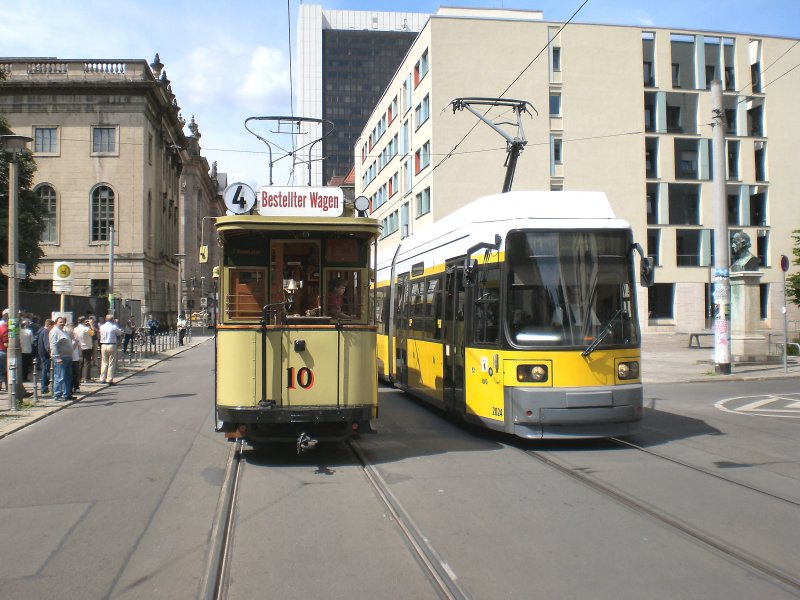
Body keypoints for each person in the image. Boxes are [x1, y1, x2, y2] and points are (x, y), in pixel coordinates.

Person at [49, 316, 74, 400]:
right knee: (60, 376)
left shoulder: (63, 331)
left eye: (63, 322)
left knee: (67, 376)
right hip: (61, 357)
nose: (62, 323)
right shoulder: (55, 331)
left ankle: (67, 394)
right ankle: (57, 394)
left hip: (68, 357)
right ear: (56, 323)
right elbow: (53, 344)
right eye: (60, 322)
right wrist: (57, 357)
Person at [99, 314, 123, 385]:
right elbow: (119, 333)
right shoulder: (114, 327)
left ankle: (102, 378)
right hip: (112, 344)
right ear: (112, 320)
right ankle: (109, 379)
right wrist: (116, 324)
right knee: (111, 363)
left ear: (106, 319)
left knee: (104, 362)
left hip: (103, 345)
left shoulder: (102, 326)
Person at [74, 316, 94, 382]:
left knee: (80, 363)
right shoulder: (86, 329)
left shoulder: (75, 329)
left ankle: (79, 378)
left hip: (79, 347)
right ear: (83, 321)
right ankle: (87, 378)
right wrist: (91, 324)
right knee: (87, 363)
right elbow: (93, 333)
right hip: (87, 347)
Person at [37, 319, 54, 395]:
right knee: (46, 370)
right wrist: (50, 353)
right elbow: (47, 344)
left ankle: (44, 387)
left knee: (46, 370)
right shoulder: (45, 332)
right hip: (45, 354)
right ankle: (44, 387)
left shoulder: (41, 330)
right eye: (52, 326)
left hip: (42, 353)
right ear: (49, 326)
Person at [0, 310, 8, 392]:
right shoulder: (5, 329)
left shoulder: (0, 327)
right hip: (3, 351)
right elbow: (6, 344)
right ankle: (9, 386)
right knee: (7, 370)